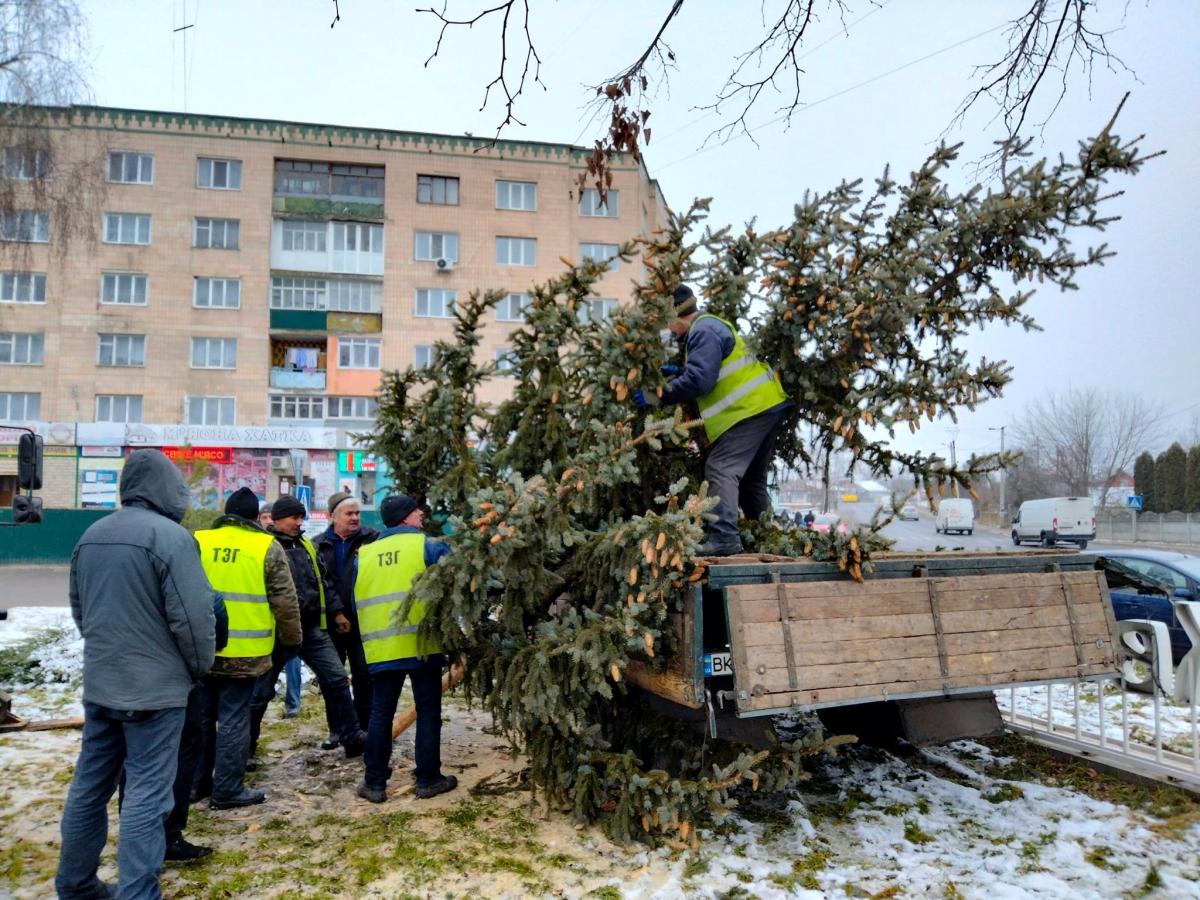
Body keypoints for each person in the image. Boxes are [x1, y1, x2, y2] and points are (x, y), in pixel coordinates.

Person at [55, 449, 217, 899]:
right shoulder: (170, 537)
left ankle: (75, 885)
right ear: (169, 490)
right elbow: (193, 619)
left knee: (89, 786)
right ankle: (139, 892)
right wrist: (198, 668)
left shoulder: (91, 535)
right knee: (149, 794)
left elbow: (80, 611)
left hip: (103, 685)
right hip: (156, 693)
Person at [635, 284, 793, 556]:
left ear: (675, 317)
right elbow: (706, 370)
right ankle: (767, 536)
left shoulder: (703, 330)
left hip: (748, 410)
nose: (667, 332)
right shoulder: (708, 328)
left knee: (720, 468)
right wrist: (681, 371)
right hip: (764, 407)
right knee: (751, 482)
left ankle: (724, 540)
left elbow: (701, 380)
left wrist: (657, 396)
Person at [195, 487, 301, 809]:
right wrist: (293, 640)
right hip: (246, 651)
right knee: (234, 719)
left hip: (202, 649)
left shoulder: (199, 540)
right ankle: (227, 789)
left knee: (201, 718)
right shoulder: (265, 546)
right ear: (256, 517)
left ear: (225, 512)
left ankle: (195, 785)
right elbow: (285, 601)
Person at [247, 493, 366, 763]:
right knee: (261, 692)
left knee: (336, 679)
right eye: (294, 517)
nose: (299, 522)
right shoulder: (265, 546)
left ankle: (351, 737)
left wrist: (336, 613)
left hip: (311, 627)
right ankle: (246, 748)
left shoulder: (306, 545)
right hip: (276, 632)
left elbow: (323, 582)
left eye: (301, 517)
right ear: (276, 520)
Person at [354, 494, 456, 803]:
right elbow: (454, 586)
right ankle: (428, 779)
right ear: (404, 518)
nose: (421, 513)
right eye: (416, 511)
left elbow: (355, 597)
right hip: (422, 644)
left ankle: (373, 783)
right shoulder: (428, 545)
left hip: (382, 647)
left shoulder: (365, 554)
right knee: (428, 711)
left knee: (380, 713)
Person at [313, 491, 377, 743]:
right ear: (333, 516)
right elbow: (320, 583)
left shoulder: (371, 539)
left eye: (357, 513)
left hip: (363, 621)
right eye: (349, 513)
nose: (354, 518)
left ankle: (365, 728)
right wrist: (337, 612)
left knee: (364, 676)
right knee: (333, 679)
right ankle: (337, 729)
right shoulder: (318, 545)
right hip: (331, 623)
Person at [259, 502, 301, 718]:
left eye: (269, 517)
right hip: (268, 627)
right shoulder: (263, 546)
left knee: (293, 664)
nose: (266, 521)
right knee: (264, 684)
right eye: (264, 517)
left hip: (292, 623)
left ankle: (293, 704)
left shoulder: (303, 545)